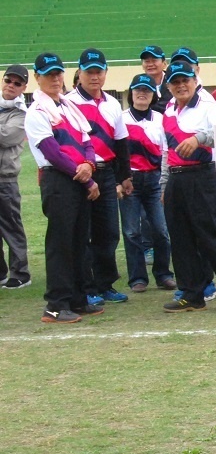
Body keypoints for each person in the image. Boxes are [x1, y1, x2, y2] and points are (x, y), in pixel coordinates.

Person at [161, 61, 216, 312]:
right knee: (180, 238)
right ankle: (191, 293)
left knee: (210, 236)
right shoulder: (168, 109)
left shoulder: (208, 106)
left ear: (194, 80)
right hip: (176, 178)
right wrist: (165, 183)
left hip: (202, 176)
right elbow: (165, 149)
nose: (180, 86)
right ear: (169, 85)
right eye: (175, 82)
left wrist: (198, 139)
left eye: (184, 81)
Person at [23, 53, 102, 323]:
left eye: (58, 74)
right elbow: (52, 152)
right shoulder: (37, 112)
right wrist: (85, 176)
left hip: (77, 178)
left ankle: (78, 298)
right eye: (49, 75)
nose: (55, 79)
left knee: (79, 241)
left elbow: (86, 140)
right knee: (61, 243)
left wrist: (89, 165)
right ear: (37, 78)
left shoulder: (68, 106)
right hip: (59, 180)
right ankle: (56, 304)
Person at [66, 48, 130, 306]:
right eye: (89, 72)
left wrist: (125, 177)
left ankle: (105, 284)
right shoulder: (68, 102)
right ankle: (86, 286)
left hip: (106, 174)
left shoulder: (113, 103)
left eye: (98, 72)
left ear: (105, 74)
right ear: (79, 73)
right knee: (84, 233)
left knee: (109, 232)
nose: (94, 77)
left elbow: (121, 142)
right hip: (81, 174)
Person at [116, 74, 175, 293]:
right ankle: (137, 278)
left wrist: (164, 183)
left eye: (147, 91)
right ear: (131, 93)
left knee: (161, 230)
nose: (142, 94)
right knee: (132, 231)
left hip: (154, 180)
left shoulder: (161, 119)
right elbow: (117, 153)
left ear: (154, 95)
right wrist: (120, 180)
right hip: (130, 180)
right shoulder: (121, 119)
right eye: (138, 90)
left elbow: (167, 152)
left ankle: (163, 274)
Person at [0, 64, 30, 290]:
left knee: (11, 227)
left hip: (5, 178)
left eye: (17, 83)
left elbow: (6, 136)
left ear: (23, 88)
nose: (11, 85)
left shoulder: (22, 114)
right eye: (8, 80)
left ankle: (21, 273)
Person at [139, 45, 170, 113]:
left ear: (164, 63)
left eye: (154, 60)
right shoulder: (138, 84)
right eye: (147, 61)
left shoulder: (173, 81)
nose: (150, 64)